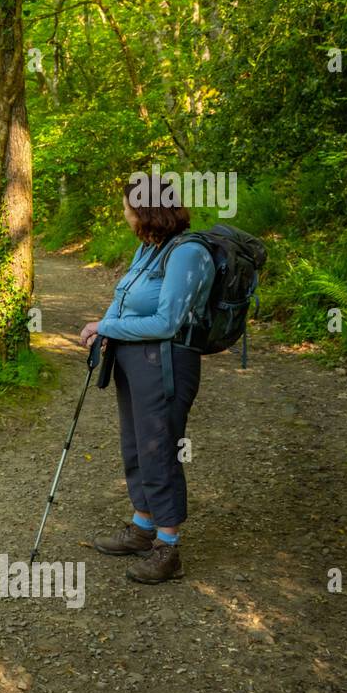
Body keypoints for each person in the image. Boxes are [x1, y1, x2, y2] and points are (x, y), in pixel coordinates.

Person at [78, 177, 215, 584]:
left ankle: (168, 548)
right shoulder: (148, 248)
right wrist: (104, 328)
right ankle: (143, 526)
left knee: (159, 450)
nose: (124, 214)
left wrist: (109, 326)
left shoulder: (187, 253)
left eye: (127, 208)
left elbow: (168, 321)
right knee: (135, 446)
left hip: (167, 364)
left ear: (148, 210)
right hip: (134, 361)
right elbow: (123, 299)